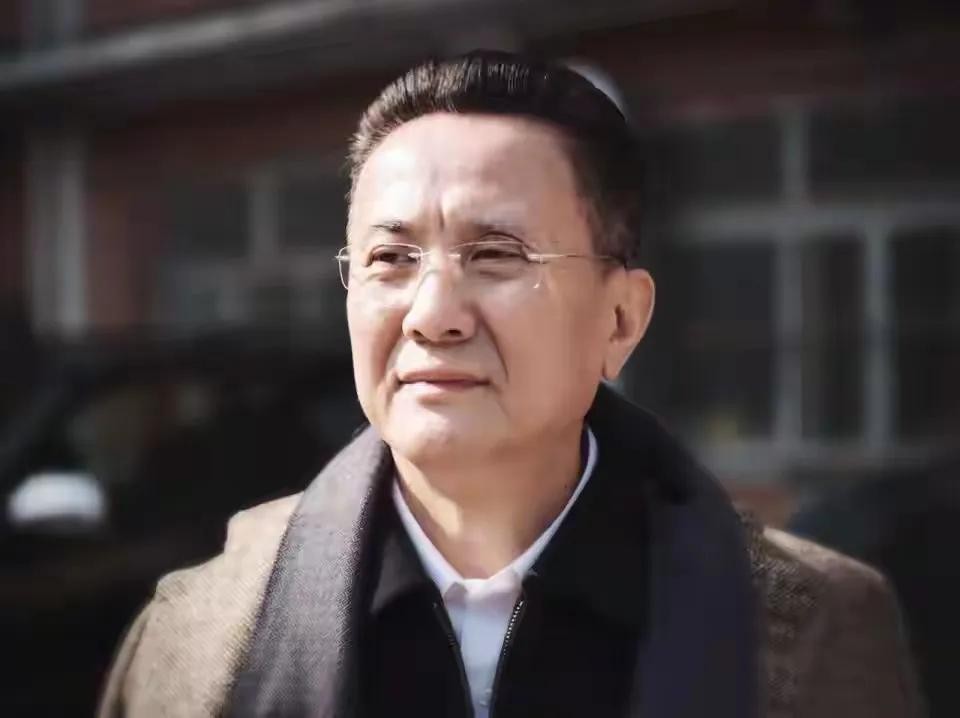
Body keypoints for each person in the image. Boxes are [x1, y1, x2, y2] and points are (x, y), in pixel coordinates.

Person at [98, 51, 922, 718]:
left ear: (620, 320)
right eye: (391, 258)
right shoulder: (198, 636)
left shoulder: (816, 630)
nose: (433, 315)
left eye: (496, 255)